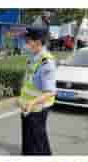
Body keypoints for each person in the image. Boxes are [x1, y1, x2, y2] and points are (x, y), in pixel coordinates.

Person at [19, 26, 57, 155]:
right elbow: (29, 82)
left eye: (28, 41)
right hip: (27, 108)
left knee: (39, 142)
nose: (26, 44)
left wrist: (32, 103)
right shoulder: (33, 57)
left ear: (38, 42)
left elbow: (50, 91)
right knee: (28, 141)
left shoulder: (46, 63)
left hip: (37, 109)